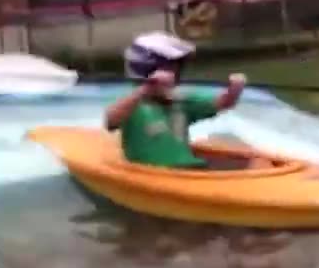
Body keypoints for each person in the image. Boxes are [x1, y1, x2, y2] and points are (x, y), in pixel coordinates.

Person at [103, 31, 247, 168]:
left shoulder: (181, 100)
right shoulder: (131, 101)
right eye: (171, 68)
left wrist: (234, 90)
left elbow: (223, 102)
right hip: (155, 176)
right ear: (148, 69)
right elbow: (110, 121)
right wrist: (146, 89)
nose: (175, 76)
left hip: (189, 172)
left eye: (176, 70)